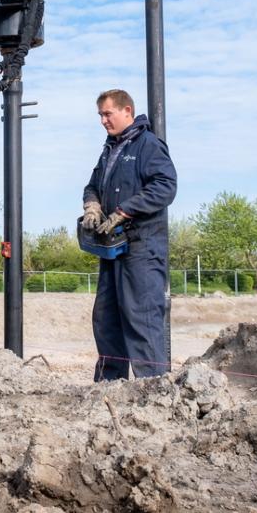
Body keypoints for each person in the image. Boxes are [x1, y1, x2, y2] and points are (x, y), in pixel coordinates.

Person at [82, 89, 177, 381]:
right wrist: (93, 205)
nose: (103, 120)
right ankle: (110, 386)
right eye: (100, 115)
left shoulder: (147, 145)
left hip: (142, 249)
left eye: (107, 114)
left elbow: (165, 185)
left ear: (127, 111)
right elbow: (92, 185)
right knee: (106, 317)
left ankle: (154, 389)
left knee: (142, 316)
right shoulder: (111, 149)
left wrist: (125, 211)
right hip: (113, 248)